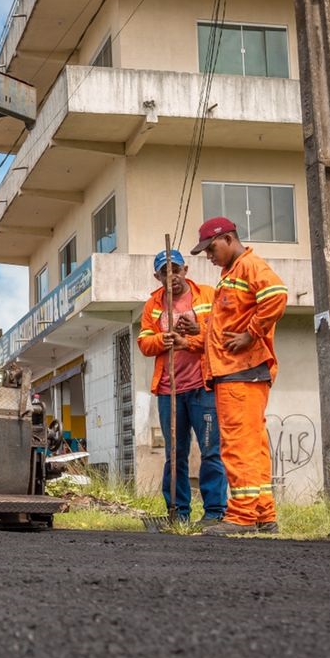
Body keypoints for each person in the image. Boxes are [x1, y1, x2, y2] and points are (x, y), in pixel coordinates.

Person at [188, 216, 288, 536]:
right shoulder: (231, 274)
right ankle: (263, 514)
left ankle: (242, 516)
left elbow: (276, 294)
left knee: (237, 446)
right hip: (242, 373)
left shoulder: (248, 266)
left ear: (229, 239)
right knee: (254, 446)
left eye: (211, 247)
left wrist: (251, 334)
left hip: (240, 373)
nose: (208, 255)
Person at [137, 249, 227, 526]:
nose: (171, 276)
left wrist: (193, 334)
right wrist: (162, 340)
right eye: (165, 272)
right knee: (175, 455)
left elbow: (219, 335)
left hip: (203, 387)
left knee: (211, 449)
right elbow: (143, 342)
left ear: (185, 270)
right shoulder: (153, 304)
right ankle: (179, 514)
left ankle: (214, 513)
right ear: (157, 276)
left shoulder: (208, 296)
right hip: (169, 390)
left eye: (175, 269)